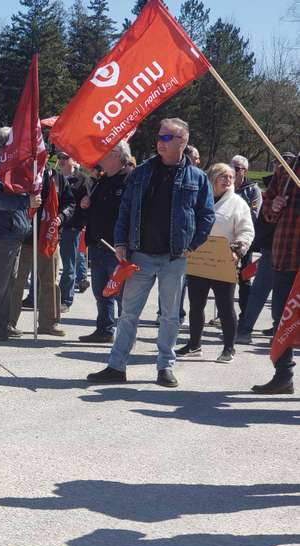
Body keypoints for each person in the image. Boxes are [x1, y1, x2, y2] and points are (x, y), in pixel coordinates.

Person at [87, 118, 215, 387]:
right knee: (128, 313)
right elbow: (126, 209)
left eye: (168, 138)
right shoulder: (142, 172)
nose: (160, 141)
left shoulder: (198, 178)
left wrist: (192, 245)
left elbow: (207, 216)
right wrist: (121, 241)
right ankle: (116, 366)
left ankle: (165, 367)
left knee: (169, 316)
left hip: (174, 258)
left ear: (183, 142)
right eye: (159, 136)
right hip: (140, 256)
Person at [175, 163, 254, 363]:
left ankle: (229, 348)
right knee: (196, 305)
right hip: (199, 258)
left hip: (224, 259)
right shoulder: (201, 199)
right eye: (223, 176)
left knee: (225, 306)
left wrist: (238, 249)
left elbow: (246, 230)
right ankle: (194, 345)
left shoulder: (238, 203)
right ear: (212, 178)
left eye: (230, 177)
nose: (228, 180)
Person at [0, 127, 42, 340]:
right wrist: (26, 202)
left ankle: (1, 323)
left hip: (6, 233)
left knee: (7, 281)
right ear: (4, 145)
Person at [8, 160, 75, 336]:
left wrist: (61, 217)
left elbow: (70, 204)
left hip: (49, 238)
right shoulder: (21, 175)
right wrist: (26, 202)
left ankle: (48, 323)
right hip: (24, 238)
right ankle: (8, 321)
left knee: (50, 282)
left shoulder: (58, 178)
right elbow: (8, 200)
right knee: (17, 282)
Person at [78, 141, 134, 343]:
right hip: (97, 243)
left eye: (106, 153)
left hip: (116, 247)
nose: (101, 157)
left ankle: (125, 336)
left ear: (118, 155)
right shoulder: (101, 180)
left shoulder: (129, 179)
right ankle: (104, 329)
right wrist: (87, 204)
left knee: (122, 294)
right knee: (101, 291)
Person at [251, 152, 297, 394]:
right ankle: (283, 376)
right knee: (282, 321)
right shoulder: (287, 168)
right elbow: (267, 210)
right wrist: (274, 206)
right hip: (285, 257)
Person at [57, 151, 92, 312]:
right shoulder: (54, 178)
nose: (62, 160)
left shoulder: (83, 181)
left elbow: (87, 205)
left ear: (74, 160)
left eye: (65, 157)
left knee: (69, 265)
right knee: (48, 264)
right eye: (59, 158)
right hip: (53, 227)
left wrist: (81, 224)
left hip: (71, 228)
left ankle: (66, 300)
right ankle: (38, 296)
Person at [231, 154, 262, 322]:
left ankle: (245, 315)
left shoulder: (253, 189)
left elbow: (254, 215)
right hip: (226, 239)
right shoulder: (225, 186)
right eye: (231, 167)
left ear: (245, 171)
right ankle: (225, 313)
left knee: (244, 278)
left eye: (236, 169)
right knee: (224, 278)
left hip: (245, 242)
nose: (233, 172)